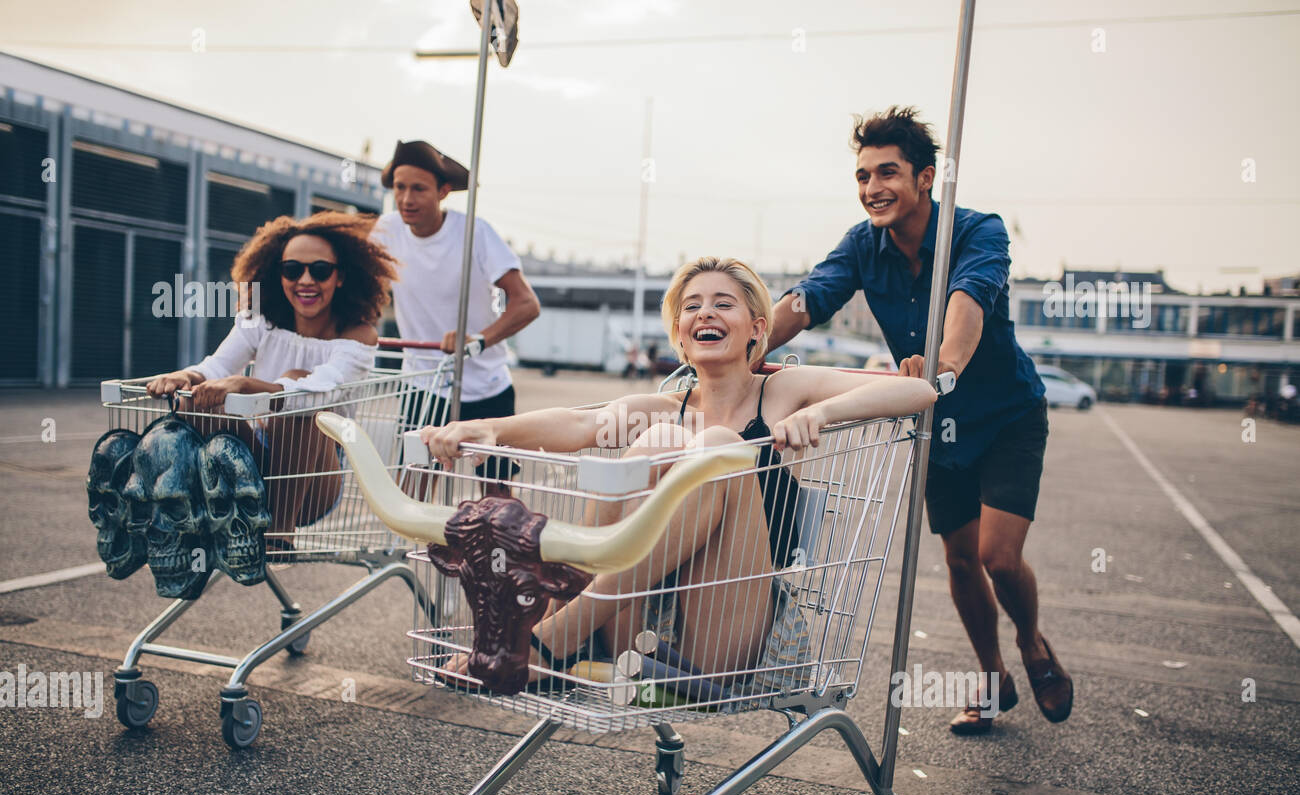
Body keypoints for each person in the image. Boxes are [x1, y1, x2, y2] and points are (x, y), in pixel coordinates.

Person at [420, 255, 936, 685]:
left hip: (723, 629)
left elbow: (919, 391)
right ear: (681, 336)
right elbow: (581, 423)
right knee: (664, 439)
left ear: (758, 328)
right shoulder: (668, 408)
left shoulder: (783, 392)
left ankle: (545, 642)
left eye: (722, 304)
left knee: (716, 446)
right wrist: (489, 428)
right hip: (640, 624)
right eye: (692, 307)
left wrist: (819, 412)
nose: (704, 313)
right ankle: (556, 631)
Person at [766, 106, 1072, 734]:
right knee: (960, 560)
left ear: (926, 178)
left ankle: (1034, 645)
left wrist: (943, 366)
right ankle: (992, 679)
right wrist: (742, 350)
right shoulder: (862, 244)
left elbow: (968, 297)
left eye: (887, 173)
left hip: (1004, 414)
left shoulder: (977, 230)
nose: (871, 188)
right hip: (933, 419)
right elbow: (810, 296)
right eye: (862, 176)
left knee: (999, 558)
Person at [146, 211, 397, 552]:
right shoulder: (261, 320)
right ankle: (193, 514)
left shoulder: (358, 335)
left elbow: (316, 392)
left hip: (310, 482)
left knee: (303, 394)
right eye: (292, 270)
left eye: (320, 270)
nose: (305, 280)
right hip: (255, 463)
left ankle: (278, 534)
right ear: (277, 274)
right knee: (196, 400)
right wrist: (186, 377)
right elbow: (219, 365)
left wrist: (247, 385)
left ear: (340, 277)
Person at [369, 140, 541, 481]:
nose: (406, 199)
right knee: (413, 487)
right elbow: (361, 288)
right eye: (400, 188)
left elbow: (526, 303)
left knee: (496, 497)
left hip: (487, 386)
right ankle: (422, 539)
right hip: (423, 383)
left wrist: (476, 339)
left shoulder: (476, 232)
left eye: (418, 189)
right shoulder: (386, 231)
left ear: (443, 191)